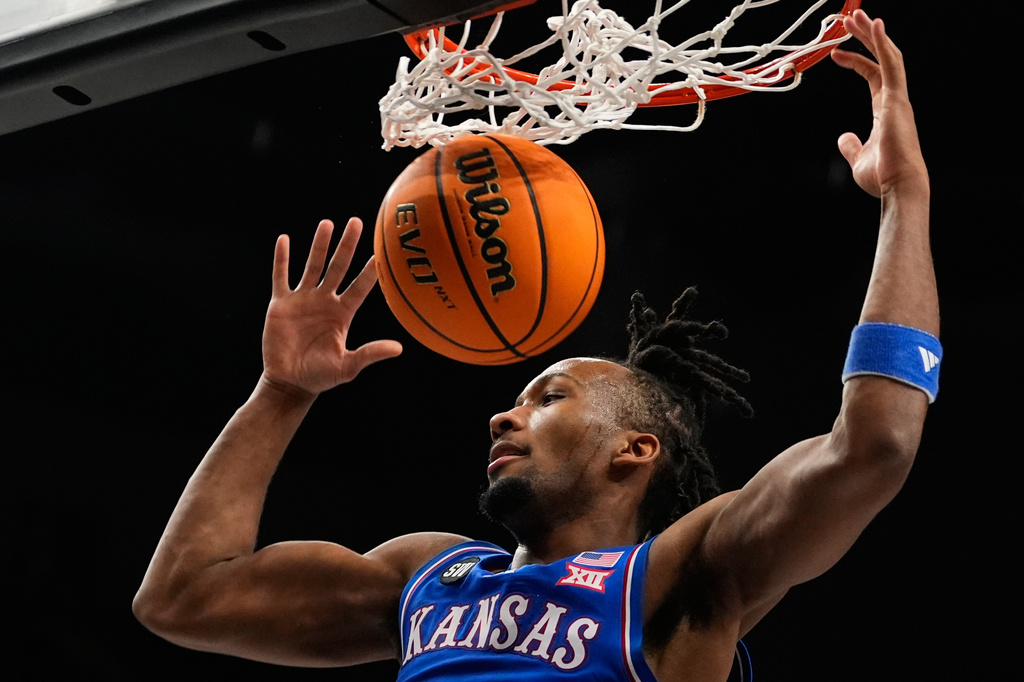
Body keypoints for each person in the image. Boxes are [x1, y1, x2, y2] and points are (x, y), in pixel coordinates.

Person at [133, 10, 937, 682]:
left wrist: (905, 196)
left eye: (548, 396)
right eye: (520, 398)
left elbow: (874, 446)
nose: (500, 418)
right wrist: (282, 393)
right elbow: (181, 597)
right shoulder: (431, 580)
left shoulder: (677, 580)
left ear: (635, 450)